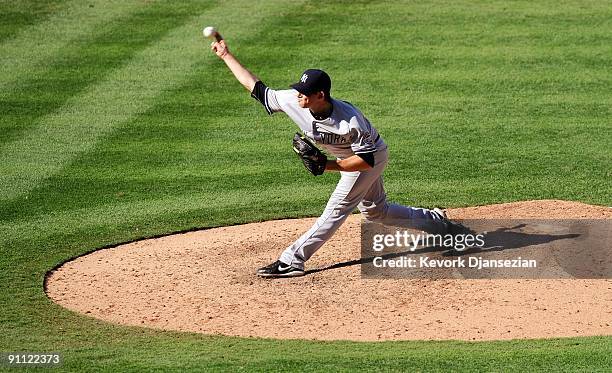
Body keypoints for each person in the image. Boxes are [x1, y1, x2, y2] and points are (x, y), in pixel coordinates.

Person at [210, 39, 461, 278]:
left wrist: (327, 165)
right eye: (299, 90)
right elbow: (256, 88)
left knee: (338, 207)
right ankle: (436, 221)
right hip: (352, 159)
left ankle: (292, 260)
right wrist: (226, 55)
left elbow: (366, 161)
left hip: (368, 157)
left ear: (321, 95)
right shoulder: (294, 101)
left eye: (305, 92)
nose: (299, 95)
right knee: (377, 213)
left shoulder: (350, 120)